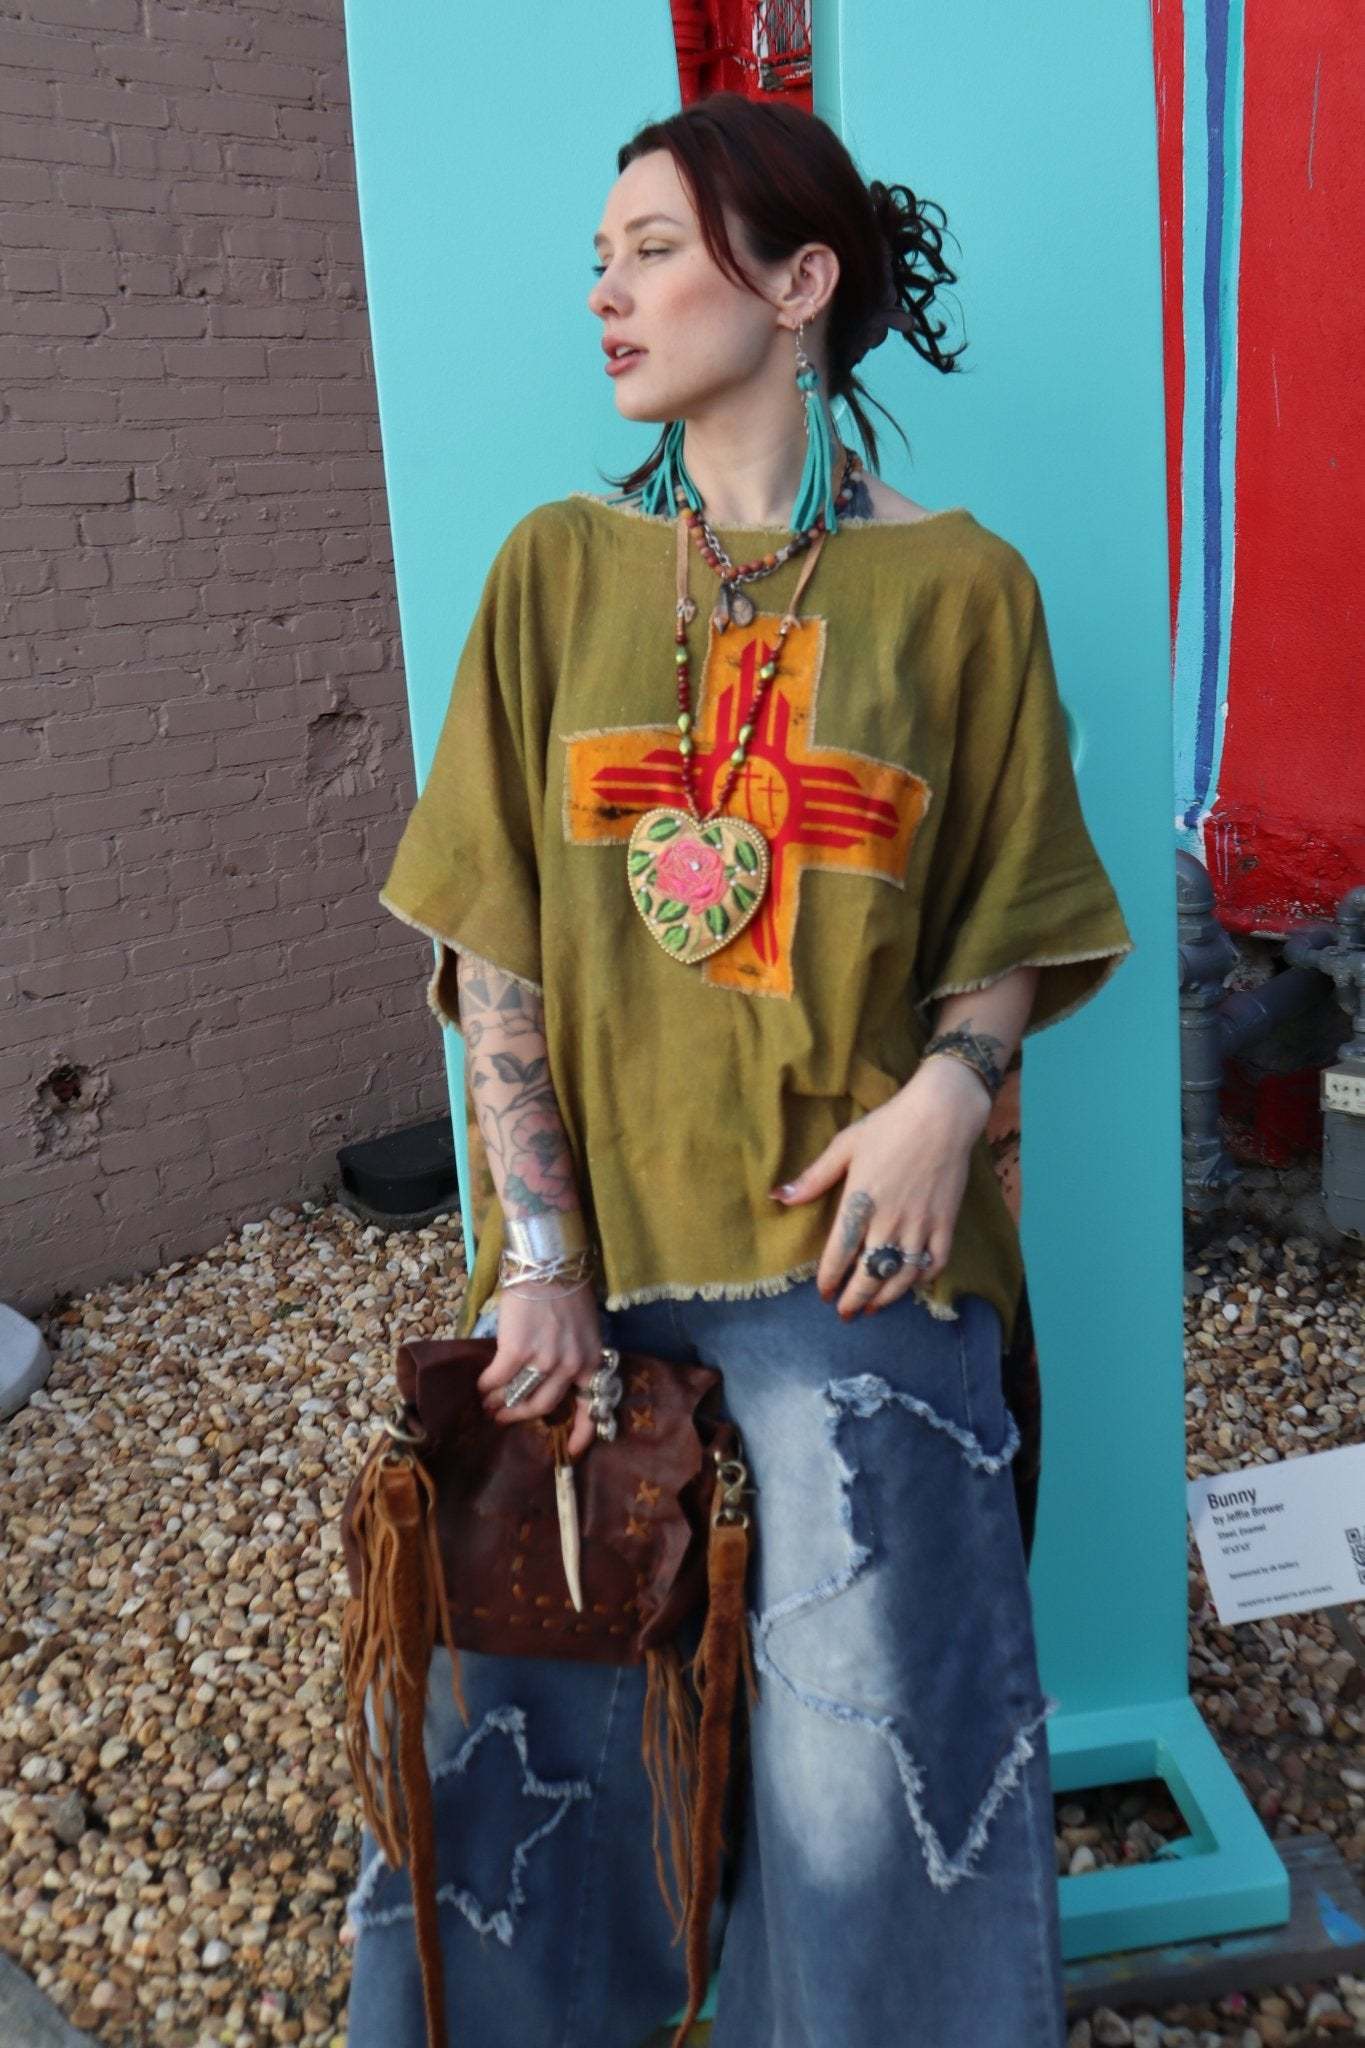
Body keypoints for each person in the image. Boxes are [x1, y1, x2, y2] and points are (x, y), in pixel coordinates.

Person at [344, 90, 1135, 2048]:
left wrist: (949, 1094)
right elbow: (497, 945)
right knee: (535, 1759)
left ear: (796, 286)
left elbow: (1012, 907)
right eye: (598, 258)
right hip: (597, 1275)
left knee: (875, 1790)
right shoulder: (556, 572)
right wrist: (539, 1253)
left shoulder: (962, 592)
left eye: (651, 250)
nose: (603, 295)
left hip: (854, 1270)